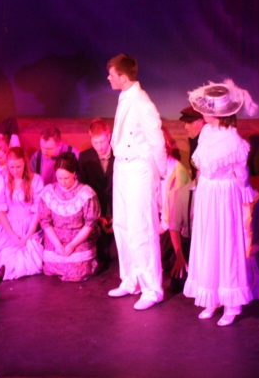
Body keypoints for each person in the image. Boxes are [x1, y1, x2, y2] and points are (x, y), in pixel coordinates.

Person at [183, 79, 258, 326]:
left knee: (226, 245)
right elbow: (201, 165)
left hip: (224, 196)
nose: (203, 113)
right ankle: (211, 297)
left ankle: (231, 304)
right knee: (208, 244)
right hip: (207, 193)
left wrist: (244, 194)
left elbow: (241, 174)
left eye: (208, 109)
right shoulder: (206, 132)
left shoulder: (233, 140)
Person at [105, 54, 167, 310]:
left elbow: (157, 141)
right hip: (122, 166)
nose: (108, 78)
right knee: (122, 225)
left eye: (111, 74)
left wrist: (160, 173)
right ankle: (131, 280)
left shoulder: (143, 103)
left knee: (141, 227)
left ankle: (152, 289)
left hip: (138, 168)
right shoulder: (124, 97)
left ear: (123, 76)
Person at [0, 147, 44, 281]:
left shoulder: (36, 180)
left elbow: (37, 212)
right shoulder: (4, 180)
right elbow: (0, 211)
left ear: (24, 163)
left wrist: (27, 236)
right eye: (11, 167)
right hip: (9, 226)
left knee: (32, 259)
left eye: (18, 167)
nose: (15, 171)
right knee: (6, 259)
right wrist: (12, 235)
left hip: (29, 226)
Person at [39, 152, 101, 282]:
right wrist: (57, 244)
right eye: (59, 178)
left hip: (78, 238)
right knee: (52, 266)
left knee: (78, 270)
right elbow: (45, 222)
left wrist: (73, 245)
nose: (62, 182)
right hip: (56, 238)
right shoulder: (49, 192)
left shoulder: (86, 193)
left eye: (66, 178)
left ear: (74, 173)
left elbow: (89, 224)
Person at [157, 128, 193, 292]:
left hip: (177, 226)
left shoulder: (177, 172)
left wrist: (160, 227)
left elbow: (173, 215)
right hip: (162, 220)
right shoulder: (155, 169)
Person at [78, 118, 115, 267]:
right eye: (95, 142)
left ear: (109, 136)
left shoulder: (121, 155)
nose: (99, 147)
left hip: (118, 211)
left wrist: (117, 216)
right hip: (96, 213)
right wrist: (98, 217)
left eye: (102, 142)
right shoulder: (84, 158)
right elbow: (84, 191)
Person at [179, 106, 205, 179]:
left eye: (190, 122)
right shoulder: (194, 139)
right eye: (185, 123)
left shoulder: (207, 143)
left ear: (202, 121)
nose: (186, 127)